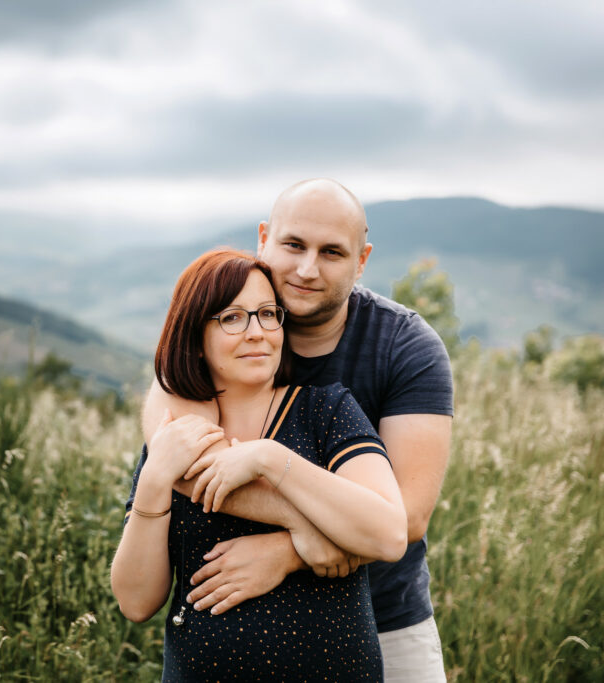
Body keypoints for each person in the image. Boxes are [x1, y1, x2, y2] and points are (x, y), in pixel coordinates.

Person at [141, 179, 454, 682]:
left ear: (362, 259)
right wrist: (311, 528)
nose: (308, 269)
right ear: (263, 237)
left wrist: (287, 552)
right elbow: (187, 467)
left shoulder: (405, 345)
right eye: (293, 245)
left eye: (332, 252)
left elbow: (407, 517)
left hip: (387, 621)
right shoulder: (217, 332)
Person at [111, 248, 407, 681]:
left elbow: (389, 534)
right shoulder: (177, 440)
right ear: (195, 335)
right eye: (232, 318)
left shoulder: (326, 411)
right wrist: (156, 477)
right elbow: (136, 602)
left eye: (268, 314)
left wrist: (271, 459)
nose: (257, 332)